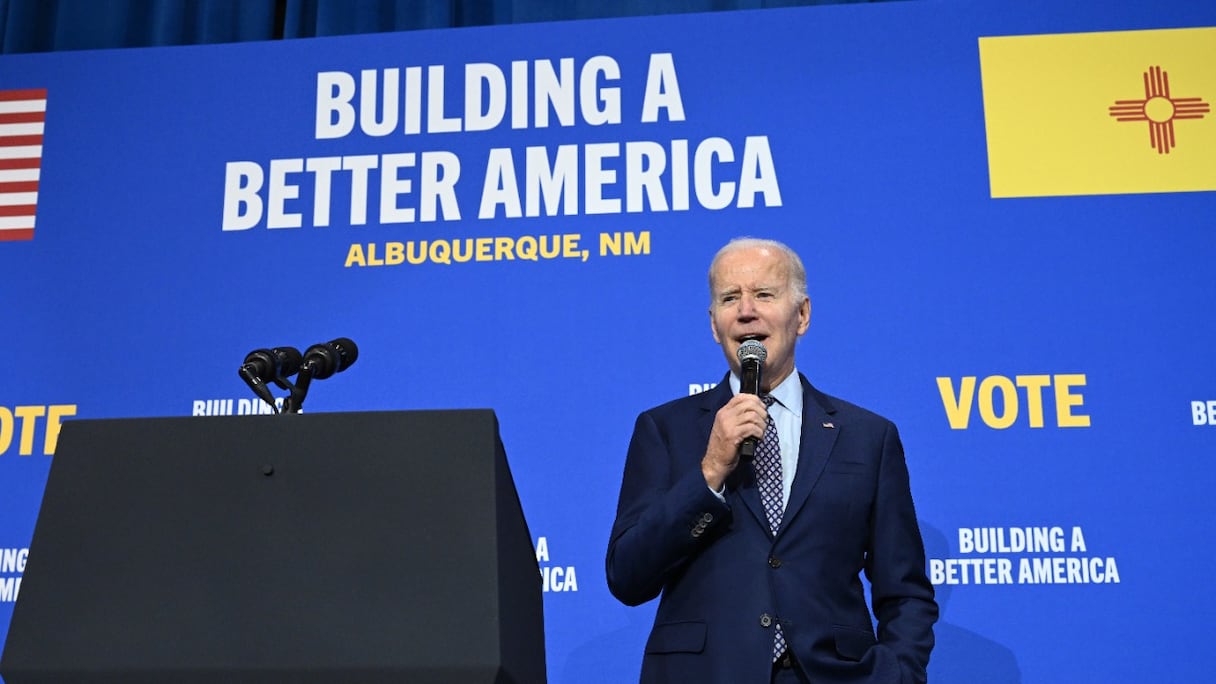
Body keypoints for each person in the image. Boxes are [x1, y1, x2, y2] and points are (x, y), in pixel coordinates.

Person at [606, 237, 937, 683]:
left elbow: (906, 593)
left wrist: (896, 674)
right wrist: (709, 474)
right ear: (714, 323)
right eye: (729, 298)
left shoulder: (868, 438)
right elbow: (628, 575)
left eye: (764, 294)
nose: (746, 310)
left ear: (801, 315)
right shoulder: (664, 429)